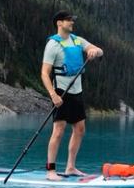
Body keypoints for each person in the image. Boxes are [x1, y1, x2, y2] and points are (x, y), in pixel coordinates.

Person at [42, 11, 103, 178]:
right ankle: (51, 171)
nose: (72, 23)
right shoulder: (53, 45)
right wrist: (53, 95)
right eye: (68, 20)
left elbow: (99, 51)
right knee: (59, 130)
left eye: (72, 20)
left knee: (80, 129)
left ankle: (70, 167)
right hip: (61, 92)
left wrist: (93, 51)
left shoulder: (77, 40)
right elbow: (44, 73)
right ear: (59, 23)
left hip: (77, 91)